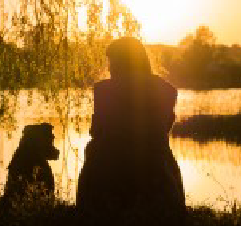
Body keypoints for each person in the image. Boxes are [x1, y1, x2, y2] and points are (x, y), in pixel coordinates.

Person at [76, 37, 186, 224]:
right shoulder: (167, 90)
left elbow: (97, 131)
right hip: (156, 168)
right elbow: (164, 129)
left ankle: (91, 212)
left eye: (111, 62)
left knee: (95, 150)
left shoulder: (104, 90)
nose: (109, 68)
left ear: (121, 62)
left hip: (109, 167)